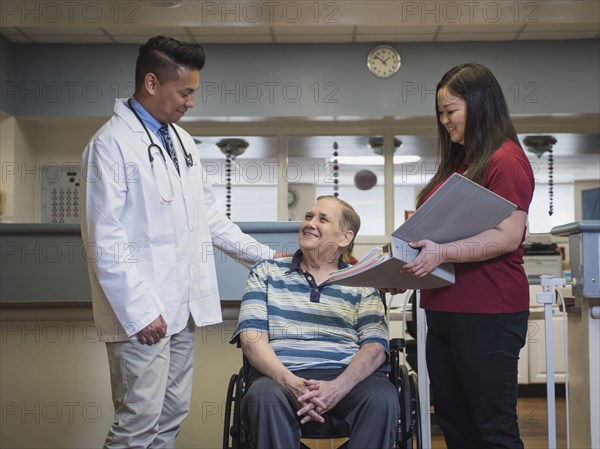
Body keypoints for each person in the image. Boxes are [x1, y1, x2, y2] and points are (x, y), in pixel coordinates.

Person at [81, 36, 281, 448]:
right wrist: (139, 310)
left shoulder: (182, 142)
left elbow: (210, 219)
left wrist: (267, 256)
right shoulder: (110, 145)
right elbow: (105, 238)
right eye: (185, 92)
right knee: (137, 422)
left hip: (182, 309)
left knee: (171, 416)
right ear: (152, 83)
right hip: (142, 316)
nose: (191, 102)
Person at [398, 63, 535, 448]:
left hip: (488, 314)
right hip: (443, 312)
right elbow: (434, 239)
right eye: (440, 113)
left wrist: (440, 252)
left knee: (492, 429)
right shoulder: (460, 161)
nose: (444, 121)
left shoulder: (506, 160)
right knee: (455, 426)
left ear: (479, 105)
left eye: (450, 110)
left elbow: (508, 237)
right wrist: (402, 269)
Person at [230, 195, 400, 449]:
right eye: (309, 216)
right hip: (280, 376)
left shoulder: (363, 281)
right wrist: (290, 382)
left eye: (322, 219)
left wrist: (338, 387)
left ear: (345, 238)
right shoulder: (266, 271)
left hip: (347, 379)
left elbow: (375, 347)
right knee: (263, 397)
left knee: (382, 397)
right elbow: (251, 338)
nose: (310, 223)